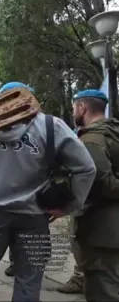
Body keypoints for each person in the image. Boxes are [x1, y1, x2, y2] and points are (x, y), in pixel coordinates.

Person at [0, 81, 97, 301]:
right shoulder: (51, 126)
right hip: (35, 218)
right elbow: (86, 168)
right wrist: (69, 206)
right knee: (29, 280)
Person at [71, 89, 119, 301]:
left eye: (74, 107)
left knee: (103, 290)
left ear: (82, 108)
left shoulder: (92, 139)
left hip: (103, 231)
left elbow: (102, 184)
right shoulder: (113, 132)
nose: (74, 111)